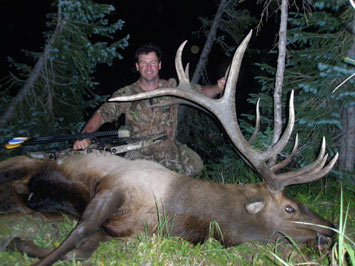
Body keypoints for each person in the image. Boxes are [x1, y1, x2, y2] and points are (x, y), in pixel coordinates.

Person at [73, 43, 225, 176]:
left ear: (159, 65)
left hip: (168, 148)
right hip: (138, 151)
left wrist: (217, 88)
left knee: (196, 165)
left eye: (153, 63)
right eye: (144, 63)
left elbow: (201, 92)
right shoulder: (126, 93)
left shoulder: (172, 88)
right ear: (138, 67)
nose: (149, 68)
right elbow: (102, 114)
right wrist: (85, 135)